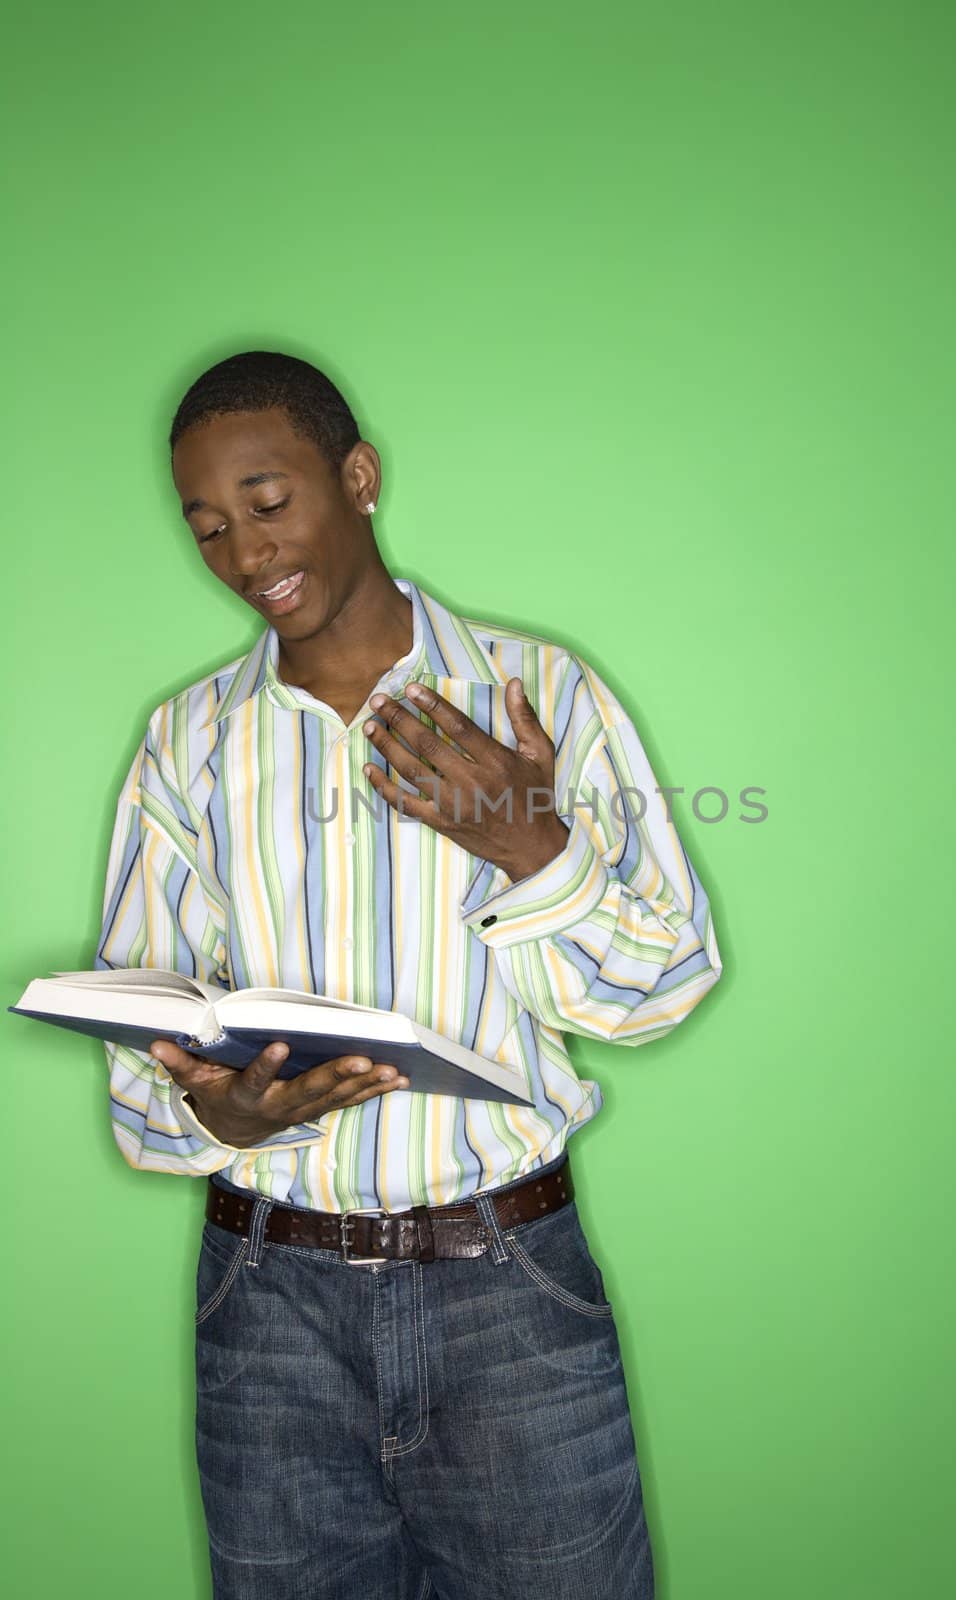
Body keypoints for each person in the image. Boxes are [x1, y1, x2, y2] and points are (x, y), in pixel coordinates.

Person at [95, 350, 723, 1600]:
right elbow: (138, 1045)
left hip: (510, 1296)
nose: (241, 554)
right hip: (263, 1305)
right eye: (208, 526)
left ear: (358, 477)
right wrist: (205, 1108)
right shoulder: (185, 744)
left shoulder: (539, 694)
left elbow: (662, 990)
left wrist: (530, 848)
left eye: (267, 503)